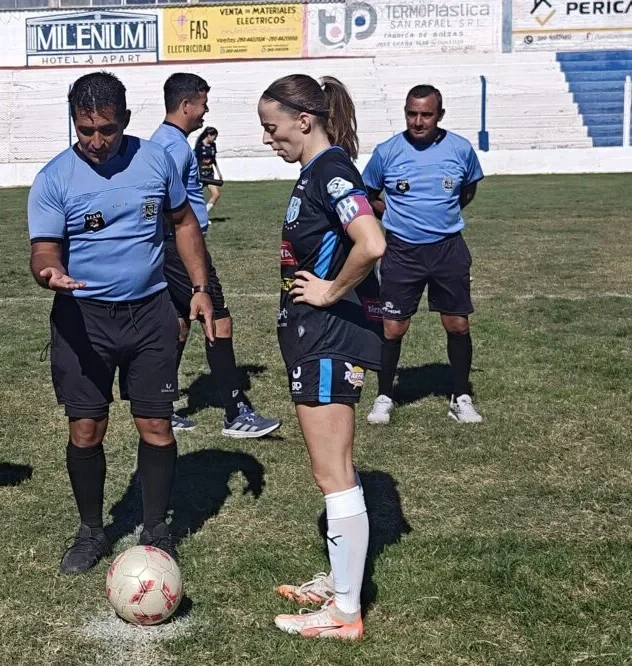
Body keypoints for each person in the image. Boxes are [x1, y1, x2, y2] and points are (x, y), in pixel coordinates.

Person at [27, 71, 215, 574]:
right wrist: (51, 273)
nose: (95, 141)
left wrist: (199, 289)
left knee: (155, 423)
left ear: (125, 120)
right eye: (84, 130)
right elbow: (44, 247)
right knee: (86, 428)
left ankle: (156, 529)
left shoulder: (156, 160)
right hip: (82, 319)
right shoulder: (54, 178)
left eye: (106, 129)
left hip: (150, 312)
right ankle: (91, 531)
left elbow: (183, 223)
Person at [257, 74, 387, 641]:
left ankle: (343, 613)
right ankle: (339, 584)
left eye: (272, 127)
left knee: (331, 474)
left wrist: (331, 291)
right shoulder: (317, 172)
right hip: (314, 337)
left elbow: (371, 241)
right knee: (332, 471)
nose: (269, 139)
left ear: (303, 120)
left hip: (330, 335)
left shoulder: (330, 171)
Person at [148, 73, 280, 438]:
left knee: (180, 321)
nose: (206, 110)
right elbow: (159, 200)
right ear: (186, 105)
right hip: (180, 248)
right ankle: (235, 412)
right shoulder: (173, 147)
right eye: (203, 103)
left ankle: (161, 406)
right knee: (218, 319)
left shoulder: (163, 142)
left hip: (172, 247)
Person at [362, 85, 484, 425]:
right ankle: (384, 395)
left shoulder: (460, 148)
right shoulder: (387, 152)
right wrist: (391, 215)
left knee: (457, 324)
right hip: (402, 251)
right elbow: (368, 193)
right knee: (393, 328)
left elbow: (469, 188)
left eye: (426, 114)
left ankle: (460, 397)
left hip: (448, 249)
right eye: (411, 113)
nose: (418, 121)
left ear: (439, 115)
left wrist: (444, 213)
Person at [194, 127, 222, 214]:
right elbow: (194, 160)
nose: (215, 139)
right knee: (197, 198)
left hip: (210, 175)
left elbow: (213, 160)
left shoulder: (213, 146)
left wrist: (219, 172)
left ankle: (204, 215)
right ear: (209, 135)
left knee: (216, 194)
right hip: (200, 175)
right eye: (214, 136)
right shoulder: (199, 146)